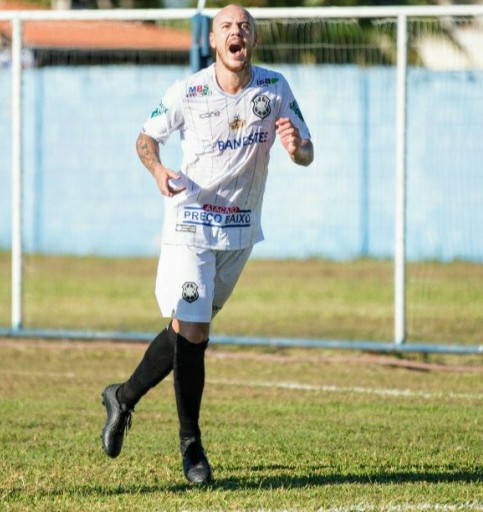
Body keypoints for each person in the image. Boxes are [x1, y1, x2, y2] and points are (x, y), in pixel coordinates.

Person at [99, 4, 313, 485]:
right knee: (194, 331)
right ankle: (192, 448)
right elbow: (144, 139)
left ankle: (122, 397)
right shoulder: (189, 90)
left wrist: (297, 147)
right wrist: (158, 171)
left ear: (253, 39)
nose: (237, 33)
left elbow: (307, 153)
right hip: (190, 223)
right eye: (227, 28)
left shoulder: (274, 89)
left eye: (245, 27)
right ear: (214, 42)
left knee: (185, 329)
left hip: (239, 230)